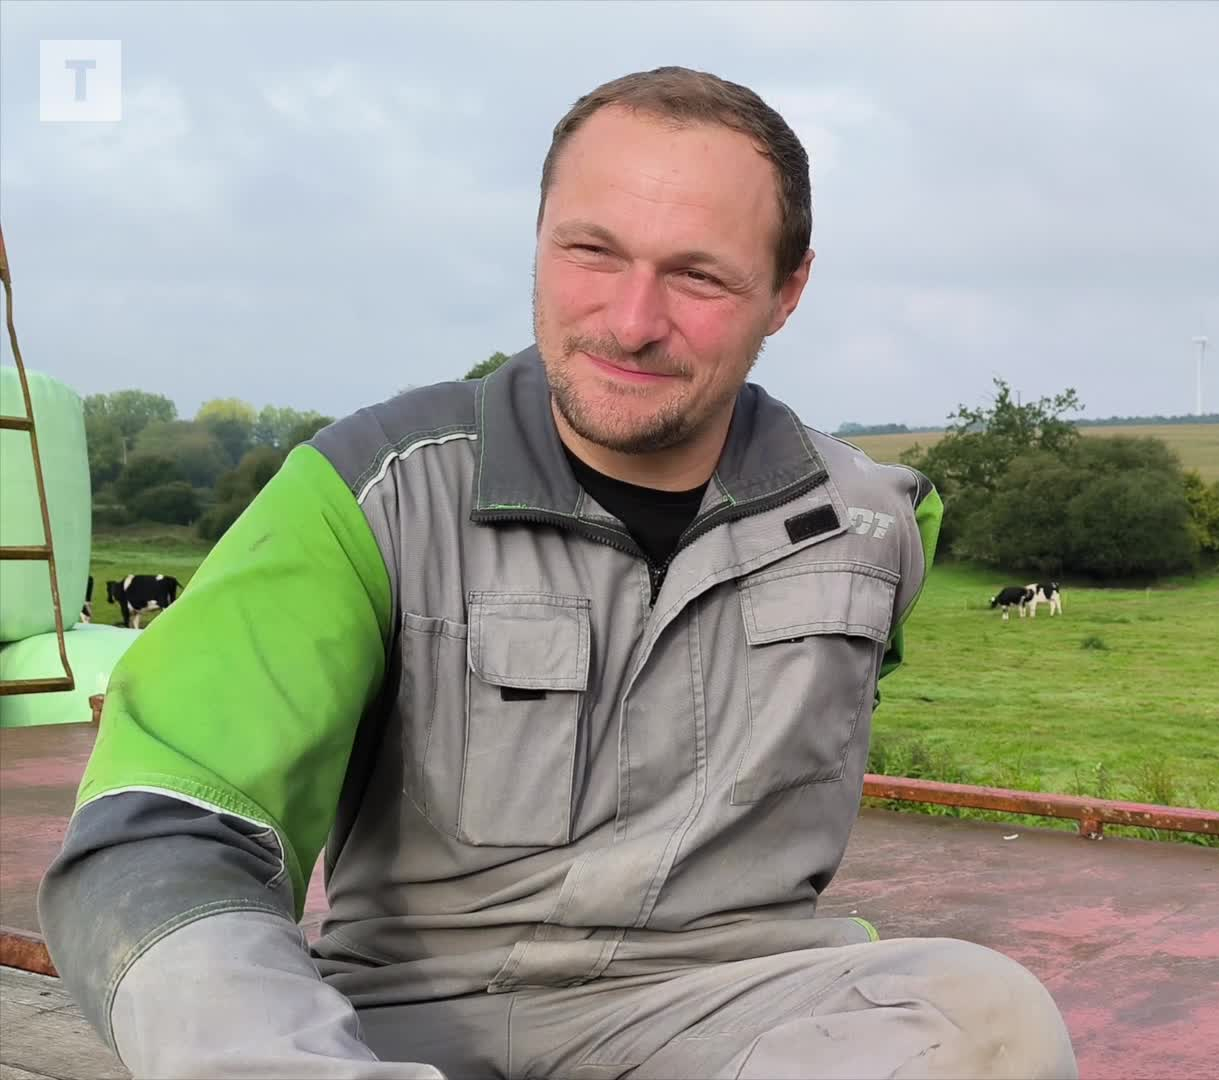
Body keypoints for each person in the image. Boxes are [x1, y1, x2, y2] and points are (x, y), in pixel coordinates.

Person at [38, 66, 1078, 1079]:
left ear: (788, 289)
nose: (631, 321)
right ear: (538, 242)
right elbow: (161, 836)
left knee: (986, 1020)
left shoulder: (870, 524)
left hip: (731, 1007)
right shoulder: (361, 492)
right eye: (591, 252)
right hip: (411, 1017)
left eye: (699, 274)